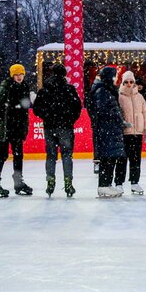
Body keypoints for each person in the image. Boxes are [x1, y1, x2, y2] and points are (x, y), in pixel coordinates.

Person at [33, 63, 82, 198]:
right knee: (66, 155)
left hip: (50, 127)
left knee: (51, 156)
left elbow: (36, 108)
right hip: (65, 127)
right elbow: (77, 107)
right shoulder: (69, 89)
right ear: (64, 74)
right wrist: (70, 119)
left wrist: (46, 116)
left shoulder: (45, 89)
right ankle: (68, 181)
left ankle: (50, 180)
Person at [0, 64, 33, 198]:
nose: (19, 77)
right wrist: (1, 124)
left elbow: (25, 107)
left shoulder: (25, 86)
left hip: (18, 128)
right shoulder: (5, 87)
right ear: (12, 75)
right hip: (6, 129)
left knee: (18, 155)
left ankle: (18, 183)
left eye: (21, 74)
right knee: (2, 155)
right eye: (16, 75)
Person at [91, 66, 127, 198]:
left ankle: (107, 184)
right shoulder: (102, 91)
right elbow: (102, 110)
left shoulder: (108, 90)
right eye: (115, 75)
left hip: (110, 130)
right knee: (107, 158)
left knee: (110, 158)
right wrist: (115, 117)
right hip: (106, 130)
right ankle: (103, 185)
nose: (116, 78)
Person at [117, 70, 146, 195]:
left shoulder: (139, 97)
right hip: (124, 133)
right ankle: (119, 183)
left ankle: (134, 182)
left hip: (137, 133)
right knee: (122, 159)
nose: (129, 84)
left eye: (131, 81)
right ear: (123, 82)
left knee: (136, 159)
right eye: (126, 82)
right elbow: (117, 114)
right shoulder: (119, 96)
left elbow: (144, 113)